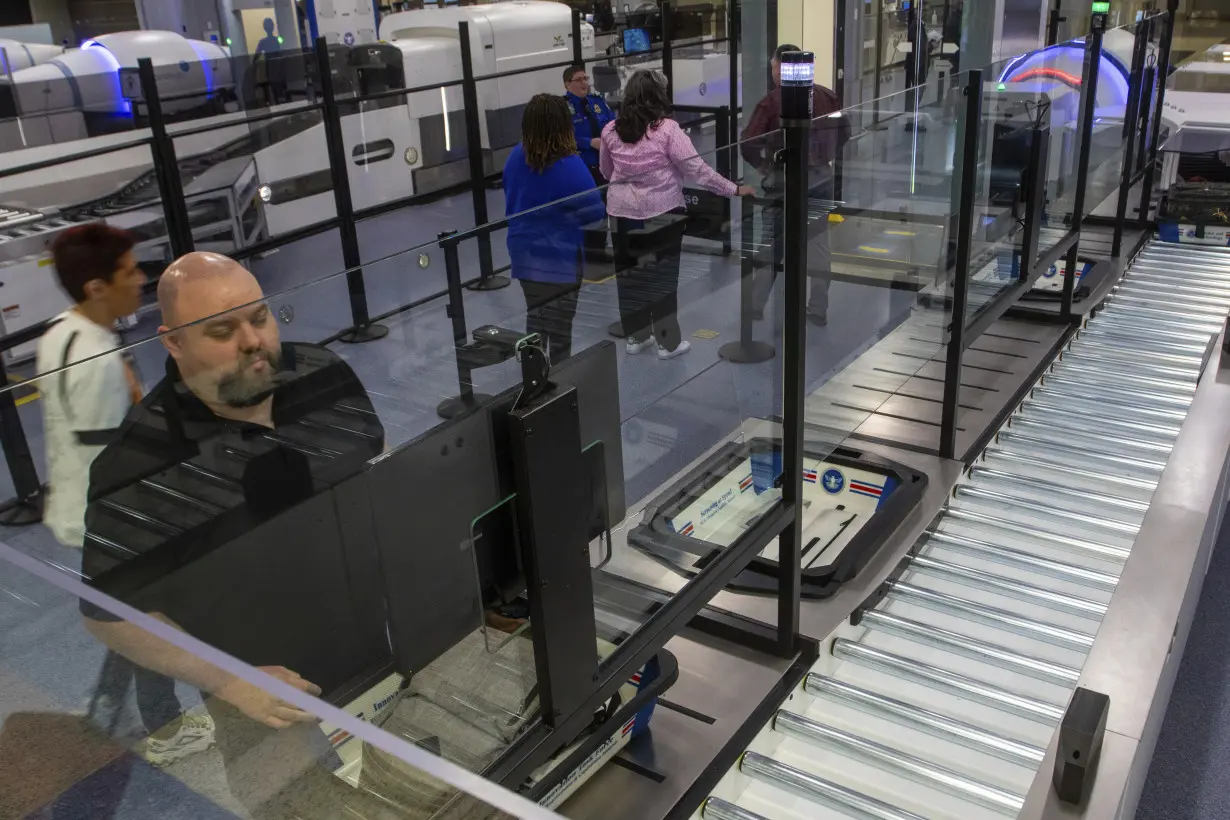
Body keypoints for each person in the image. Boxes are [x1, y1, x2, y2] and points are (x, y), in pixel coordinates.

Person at [79, 252, 387, 818]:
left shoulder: (322, 372)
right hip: (261, 688)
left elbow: (377, 466)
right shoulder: (139, 463)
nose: (253, 341)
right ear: (172, 343)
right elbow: (107, 613)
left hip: (377, 632)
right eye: (222, 331)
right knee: (294, 806)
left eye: (260, 318)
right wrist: (228, 679)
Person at [35, 223, 214, 767]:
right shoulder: (95, 363)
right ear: (96, 287)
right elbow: (113, 459)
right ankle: (164, 728)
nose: (141, 280)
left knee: (126, 608)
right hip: (111, 516)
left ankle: (109, 708)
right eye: (129, 271)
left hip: (78, 508)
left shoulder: (60, 332)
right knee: (156, 613)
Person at [601, 69, 753, 360]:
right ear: (658, 96)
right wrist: (733, 189)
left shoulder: (610, 129)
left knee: (628, 274)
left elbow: (607, 171)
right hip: (662, 212)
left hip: (620, 213)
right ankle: (667, 343)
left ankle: (636, 337)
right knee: (663, 277)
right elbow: (697, 170)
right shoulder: (669, 130)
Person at [741, 44, 847, 326]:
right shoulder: (827, 96)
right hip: (821, 180)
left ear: (781, 68)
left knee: (772, 244)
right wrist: (826, 156)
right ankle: (818, 308)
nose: (773, 72)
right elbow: (844, 131)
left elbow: (749, 142)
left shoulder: (772, 102)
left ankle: (754, 306)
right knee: (819, 244)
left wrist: (764, 166)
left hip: (783, 181)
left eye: (774, 67)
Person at [504, 94, 605, 363]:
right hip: (559, 260)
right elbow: (595, 211)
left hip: (523, 253)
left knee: (535, 319)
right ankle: (558, 389)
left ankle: (532, 379)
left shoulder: (515, 157)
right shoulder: (569, 164)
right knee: (560, 332)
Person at [563, 65, 616, 187]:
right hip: (583, 164)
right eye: (579, 80)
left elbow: (614, 124)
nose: (584, 83)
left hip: (608, 159)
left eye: (585, 78)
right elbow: (562, 140)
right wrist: (589, 143)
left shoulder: (597, 101)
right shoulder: (562, 109)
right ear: (567, 85)